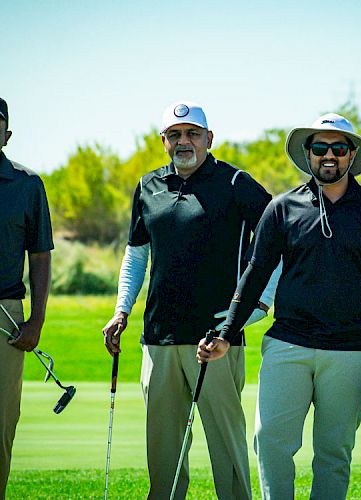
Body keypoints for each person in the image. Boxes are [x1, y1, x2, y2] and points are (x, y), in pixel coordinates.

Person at [198, 113, 361, 499]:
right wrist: (227, 333)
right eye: (320, 148)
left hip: (353, 350)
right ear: (308, 154)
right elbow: (255, 273)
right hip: (288, 344)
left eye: (338, 148)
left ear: (351, 154)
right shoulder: (282, 208)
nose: (329, 156)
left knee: (333, 453)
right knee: (270, 441)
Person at [102, 101, 278, 500]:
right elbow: (137, 254)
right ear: (163, 141)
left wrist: (260, 304)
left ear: (209, 139)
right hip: (159, 337)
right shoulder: (148, 186)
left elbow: (277, 239)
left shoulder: (235, 184)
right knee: (163, 455)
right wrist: (121, 310)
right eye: (175, 135)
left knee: (227, 450)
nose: (185, 141)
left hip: (217, 338)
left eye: (193, 133)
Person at [0, 97, 53, 499]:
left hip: (6, 315)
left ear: (7, 134)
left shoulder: (27, 184)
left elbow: (39, 255)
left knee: (2, 423)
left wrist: (36, 319)